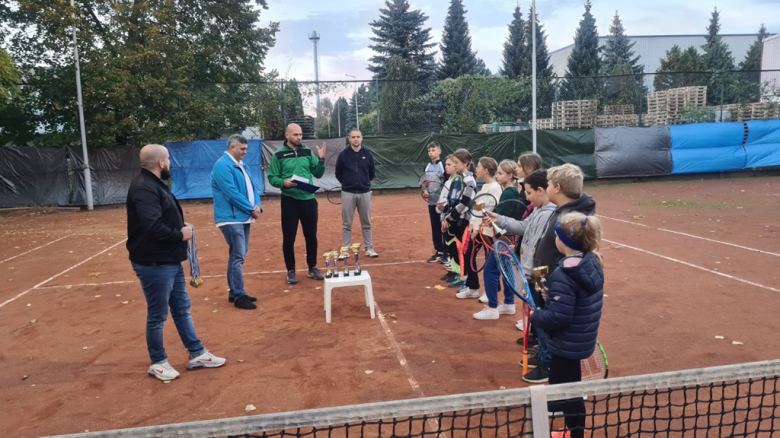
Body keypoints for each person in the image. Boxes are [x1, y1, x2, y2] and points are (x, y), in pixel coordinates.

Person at [126, 144, 225, 381]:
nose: (170, 163)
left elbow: (160, 219)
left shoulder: (154, 185)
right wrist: (180, 235)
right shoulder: (144, 187)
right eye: (168, 159)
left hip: (168, 259)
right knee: (158, 315)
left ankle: (197, 353)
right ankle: (158, 362)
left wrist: (180, 229)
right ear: (160, 163)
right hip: (154, 262)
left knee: (181, 308)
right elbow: (151, 226)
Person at [530, 212, 604, 438]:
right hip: (578, 339)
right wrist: (553, 294)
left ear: (564, 242)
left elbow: (558, 318)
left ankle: (575, 433)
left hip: (565, 342)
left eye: (556, 236)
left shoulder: (564, 273)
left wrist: (537, 316)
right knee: (571, 387)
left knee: (569, 392)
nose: (554, 239)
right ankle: (574, 430)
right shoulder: (590, 262)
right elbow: (576, 299)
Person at [523, 163, 596, 383]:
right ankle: (546, 358)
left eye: (547, 184)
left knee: (551, 328)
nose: (544, 188)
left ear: (557, 187)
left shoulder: (569, 218)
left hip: (555, 284)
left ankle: (548, 364)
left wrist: (551, 282)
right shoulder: (561, 211)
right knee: (547, 329)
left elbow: (569, 257)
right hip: (547, 280)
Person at [210, 134, 262, 310]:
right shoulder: (222, 166)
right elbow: (231, 193)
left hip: (244, 216)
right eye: (242, 149)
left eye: (246, 149)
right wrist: (251, 209)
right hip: (230, 218)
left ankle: (234, 293)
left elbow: (253, 188)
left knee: (238, 255)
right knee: (238, 256)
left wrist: (258, 207)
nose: (245, 152)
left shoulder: (242, 165)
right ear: (232, 148)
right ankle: (239, 295)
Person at [471, 160, 528, 319]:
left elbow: (502, 219)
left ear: (510, 176)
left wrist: (491, 225)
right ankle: (509, 304)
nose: (497, 175)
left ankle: (492, 308)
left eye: (501, 173)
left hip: (504, 239)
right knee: (507, 271)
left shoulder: (509, 193)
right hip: (508, 239)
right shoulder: (512, 191)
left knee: (490, 271)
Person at [455, 157, 501, 297]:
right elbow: (477, 207)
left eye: (480, 167)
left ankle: (491, 292)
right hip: (476, 228)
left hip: (486, 230)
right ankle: (473, 288)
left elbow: (488, 210)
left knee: (490, 261)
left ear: (486, 170)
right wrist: (471, 224)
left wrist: (476, 228)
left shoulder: (495, 188)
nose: (477, 169)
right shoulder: (486, 186)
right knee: (469, 254)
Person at [335, 128, 379, 258]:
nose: (355, 139)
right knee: (346, 224)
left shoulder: (368, 154)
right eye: (353, 137)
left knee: (366, 222)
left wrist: (365, 183)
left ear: (362, 138)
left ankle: (369, 248)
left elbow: (372, 173)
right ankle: (345, 250)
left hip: (364, 193)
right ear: (349, 139)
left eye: (358, 137)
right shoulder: (343, 154)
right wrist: (346, 184)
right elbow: (338, 173)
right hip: (348, 192)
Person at [441, 149, 477, 288]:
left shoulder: (469, 181)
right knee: (459, 250)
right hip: (456, 221)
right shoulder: (459, 178)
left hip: (464, 222)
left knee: (466, 252)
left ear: (465, 163)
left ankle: (467, 282)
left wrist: (449, 218)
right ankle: (463, 278)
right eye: (453, 162)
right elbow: (452, 200)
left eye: (456, 162)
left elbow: (465, 203)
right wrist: (447, 217)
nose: (454, 165)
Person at [423, 142, 449, 264]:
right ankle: (438, 251)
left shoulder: (444, 165)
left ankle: (447, 252)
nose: (431, 152)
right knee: (435, 226)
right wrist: (425, 192)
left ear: (439, 151)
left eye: (433, 150)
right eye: (429, 151)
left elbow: (448, 183)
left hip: (443, 203)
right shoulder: (427, 166)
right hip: (432, 202)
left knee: (445, 226)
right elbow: (425, 183)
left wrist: (443, 200)